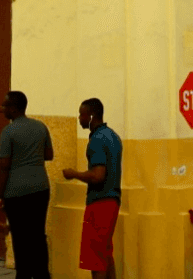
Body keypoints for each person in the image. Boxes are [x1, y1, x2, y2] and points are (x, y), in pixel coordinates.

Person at [0, 90, 54, 279]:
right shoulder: (40, 127)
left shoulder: (8, 131)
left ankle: (23, 275)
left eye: (5, 105)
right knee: (38, 235)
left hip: (16, 192)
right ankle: (42, 275)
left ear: (13, 108)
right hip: (40, 188)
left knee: (20, 237)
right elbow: (49, 155)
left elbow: (4, 166)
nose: (3, 108)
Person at [62, 98, 122, 279]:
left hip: (99, 203)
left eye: (82, 114)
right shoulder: (113, 136)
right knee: (105, 253)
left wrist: (74, 174)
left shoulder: (96, 140)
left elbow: (97, 175)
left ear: (92, 116)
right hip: (113, 201)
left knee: (95, 258)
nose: (79, 118)